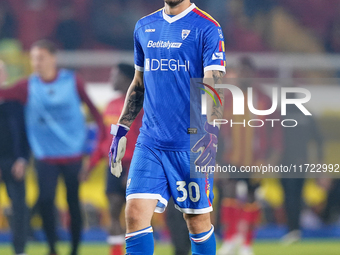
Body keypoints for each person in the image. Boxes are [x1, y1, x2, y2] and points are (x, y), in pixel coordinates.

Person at [108, 1, 226, 255]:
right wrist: (121, 130)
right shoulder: (144, 26)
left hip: (190, 144)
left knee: (196, 221)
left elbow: (214, 85)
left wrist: (211, 134)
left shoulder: (207, 27)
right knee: (135, 212)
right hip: (150, 142)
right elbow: (138, 83)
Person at [0, 40, 105, 255]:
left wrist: (94, 152)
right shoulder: (28, 86)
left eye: (40, 57)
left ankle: (75, 249)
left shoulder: (72, 81)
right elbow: (5, 94)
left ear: (53, 58)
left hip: (73, 154)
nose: (35, 62)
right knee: (46, 201)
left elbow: (95, 113)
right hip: (44, 156)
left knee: (73, 203)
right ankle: (52, 249)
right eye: (33, 58)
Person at [217, 57, 282, 255]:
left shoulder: (263, 99)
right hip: (230, 157)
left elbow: (276, 131)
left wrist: (271, 159)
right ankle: (229, 240)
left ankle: (246, 244)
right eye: (240, 71)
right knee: (228, 193)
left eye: (247, 71)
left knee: (252, 199)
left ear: (252, 74)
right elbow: (216, 130)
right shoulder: (226, 98)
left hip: (256, 160)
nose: (243, 75)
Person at [88, 63, 143, 255]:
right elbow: (103, 139)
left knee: (134, 214)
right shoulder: (110, 105)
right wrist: (90, 165)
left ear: (127, 78)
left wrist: (131, 168)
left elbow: (141, 139)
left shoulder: (139, 104)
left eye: (115, 75)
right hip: (112, 165)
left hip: (132, 165)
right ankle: (117, 252)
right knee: (113, 211)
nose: (111, 79)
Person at [0, 60, 30, 255]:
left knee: (19, 207)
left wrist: (22, 159)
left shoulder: (15, 103)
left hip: (12, 161)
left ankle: (19, 250)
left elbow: (24, 133)